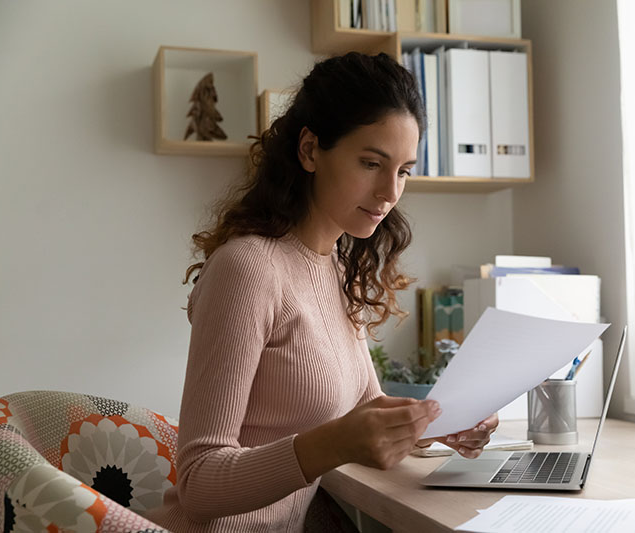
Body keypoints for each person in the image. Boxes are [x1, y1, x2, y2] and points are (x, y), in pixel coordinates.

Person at [146, 52, 499, 532]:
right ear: (310, 150)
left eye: (403, 171)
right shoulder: (247, 269)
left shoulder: (335, 267)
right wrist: (330, 445)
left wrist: (441, 423)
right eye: (372, 163)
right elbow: (199, 482)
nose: (390, 192)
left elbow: (363, 409)